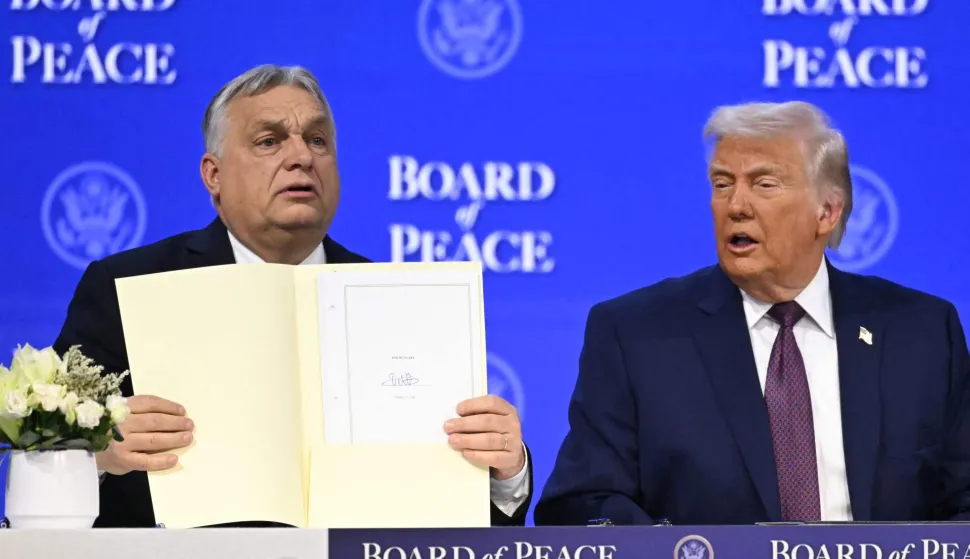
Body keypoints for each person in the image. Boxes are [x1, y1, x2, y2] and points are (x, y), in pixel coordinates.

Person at [52, 64, 532, 528]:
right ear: (213, 175)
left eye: (318, 140)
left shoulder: (404, 303)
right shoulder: (127, 286)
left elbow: (456, 527)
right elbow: (45, 470)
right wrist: (95, 451)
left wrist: (502, 474)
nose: (302, 156)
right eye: (269, 141)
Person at [534, 101, 970, 525]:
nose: (736, 205)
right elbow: (581, 503)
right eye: (722, 183)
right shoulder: (635, 334)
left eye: (764, 184)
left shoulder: (924, 332)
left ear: (827, 212)